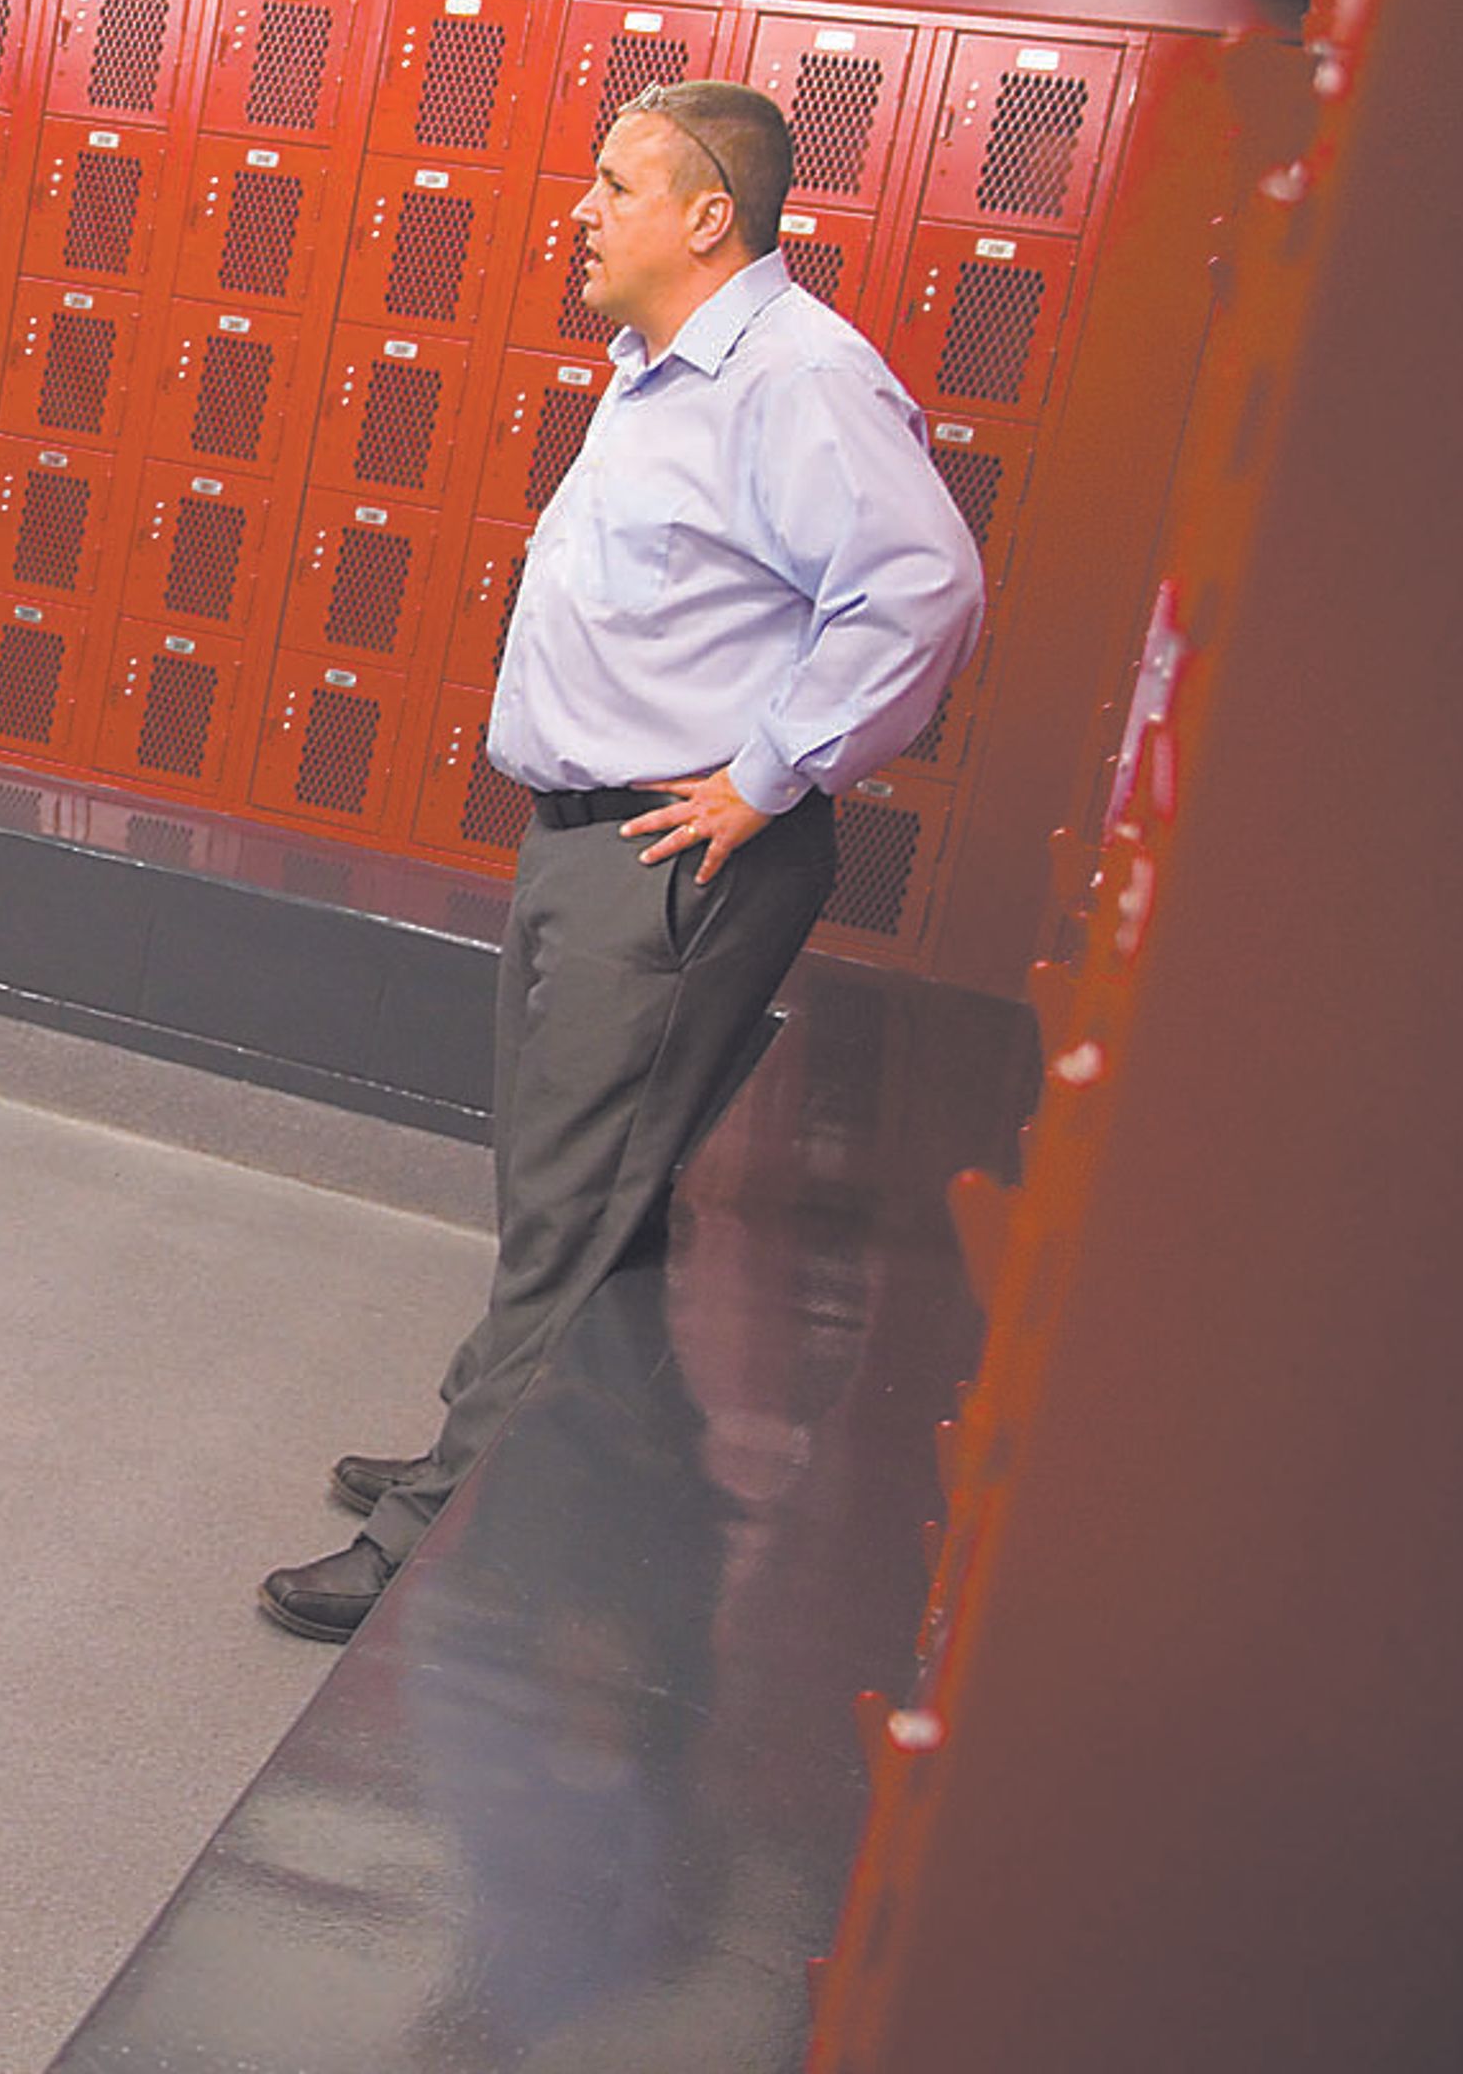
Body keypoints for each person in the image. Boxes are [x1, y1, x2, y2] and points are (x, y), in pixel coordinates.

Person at [259, 79, 986, 1643]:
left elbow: (921, 589)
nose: (579, 212)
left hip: (674, 867)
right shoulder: (658, 372)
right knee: (574, 1196)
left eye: (611, 184)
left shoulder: (795, 376)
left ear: (706, 216)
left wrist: (765, 775)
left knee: (577, 1204)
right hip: (591, 845)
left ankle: (436, 1532)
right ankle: (562, 1461)